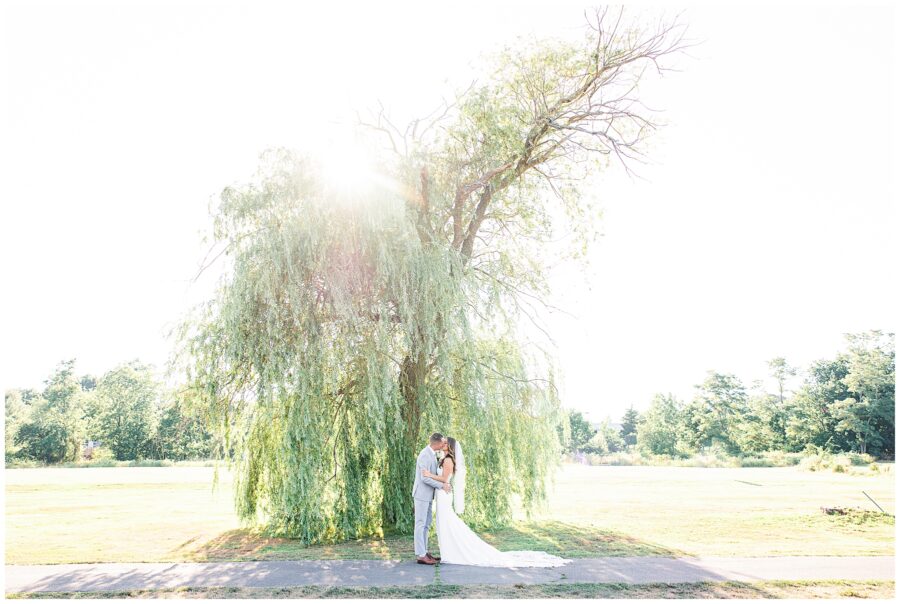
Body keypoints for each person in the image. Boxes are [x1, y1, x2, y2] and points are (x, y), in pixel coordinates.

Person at [423, 436, 568, 568]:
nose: (443, 444)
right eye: (443, 442)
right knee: (444, 524)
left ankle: (453, 553)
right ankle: (450, 552)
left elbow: (444, 479)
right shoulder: (444, 458)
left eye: (446, 443)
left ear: (450, 447)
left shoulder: (448, 460)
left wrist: (429, 474)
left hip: (444, 494)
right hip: (442, 494)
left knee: (447, 523)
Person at [412, 432, 451, 565]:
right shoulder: (424, 455)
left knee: (426, 524)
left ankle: (424, 551)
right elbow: (424, 478)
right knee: (420, 524)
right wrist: (442, 486)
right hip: (421, 495)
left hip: (428, 495)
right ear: (438, 443)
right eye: (443, 442)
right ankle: (421, 555)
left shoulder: (433, 454)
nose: (445, 444)